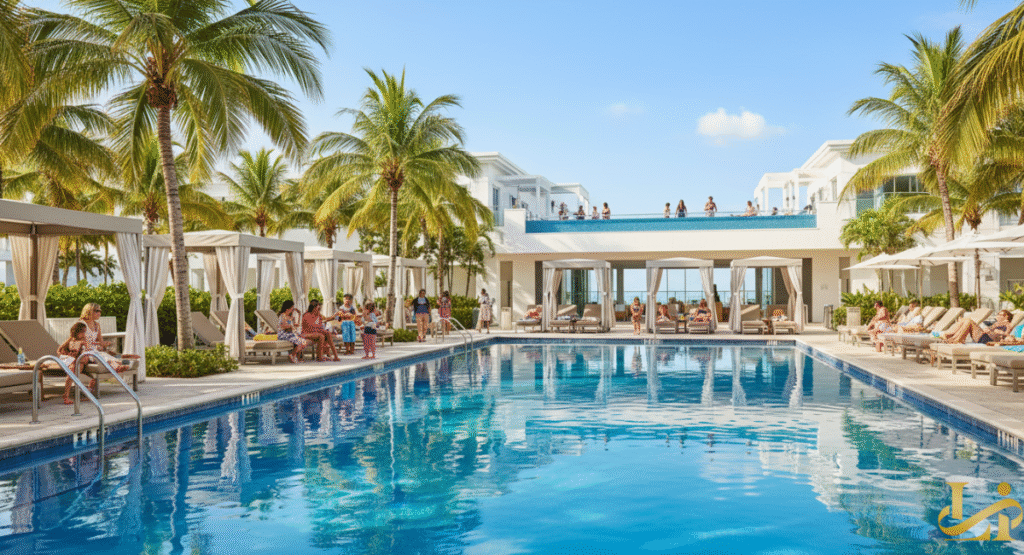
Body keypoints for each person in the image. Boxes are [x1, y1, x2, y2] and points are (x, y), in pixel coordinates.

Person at [76, 303, 122, 367]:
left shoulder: (97, 325)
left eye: (100, 311)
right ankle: (117, 370)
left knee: (118, 361)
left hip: (95, 351)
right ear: (89, 311)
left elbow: (101, 342)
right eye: (97, 311)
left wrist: (106, 344)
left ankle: (118, 370)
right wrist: (95, 345)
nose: (99, 313)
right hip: (85, 352)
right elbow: (78, 341)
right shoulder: (81, 324)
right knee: (109, 362)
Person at [941, 310, 1014, 344]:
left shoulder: (1008, 325)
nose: (997, 316)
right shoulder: (996, 323)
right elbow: (987, 327)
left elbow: (1006, 335)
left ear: (1006, 317)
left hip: (987, 340)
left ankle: (954, 338)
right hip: (984, 336)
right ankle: (953, 336)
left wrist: (997, 332)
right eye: (998, 314)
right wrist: (989, 329)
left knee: (969, 321)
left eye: (1000, 314)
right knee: (965, 320)